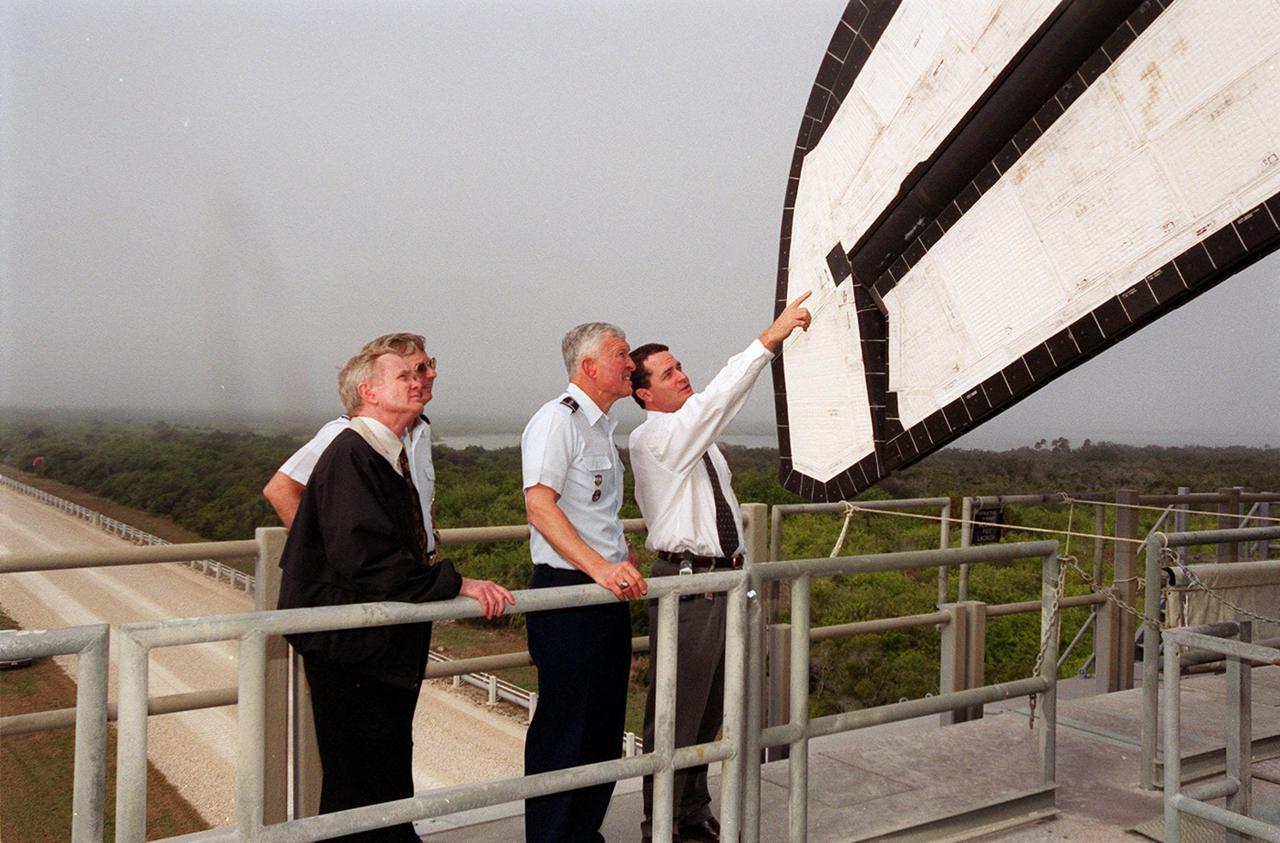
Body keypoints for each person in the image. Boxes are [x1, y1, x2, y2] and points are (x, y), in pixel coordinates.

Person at [277, 343, 513, 842]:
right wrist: (456, 584)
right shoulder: (351, 452)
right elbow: (366, 559)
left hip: (373, 638)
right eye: (405, 374)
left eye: (424, 371)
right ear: (369, 392)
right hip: (349, 641)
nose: (421, 380)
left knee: (379, 765)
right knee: (358, 774)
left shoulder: (387, 450)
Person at [628, 292, 812, 843]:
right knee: (678, 711)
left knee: (709, 710)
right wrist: (768, 340)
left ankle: (691, 812)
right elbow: (716, 403)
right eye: (667, 373)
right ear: (643, 394)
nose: (681, 376)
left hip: (723, 581)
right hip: (689, 584)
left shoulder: (696, 441)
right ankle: (661, 822)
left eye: (680, 365)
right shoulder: (655, 437)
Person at [520, 321, 649, 843]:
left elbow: (592, 513)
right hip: (568, 594)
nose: (631, 363)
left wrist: (618, 554)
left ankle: (582, 833)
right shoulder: (558, 421)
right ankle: (551, 838)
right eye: (621, 354)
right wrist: (599, 567)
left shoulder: (600, 427)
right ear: (588, 366)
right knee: (564, 729)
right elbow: (539, 506)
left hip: (604, 596)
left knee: (600, 728)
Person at [263, 332, 437, 536]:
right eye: (419, 368)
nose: (432, 374)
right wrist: (323, 552)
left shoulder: (420, 431)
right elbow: (280, 489)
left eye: (431, 364)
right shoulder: (347, 434)